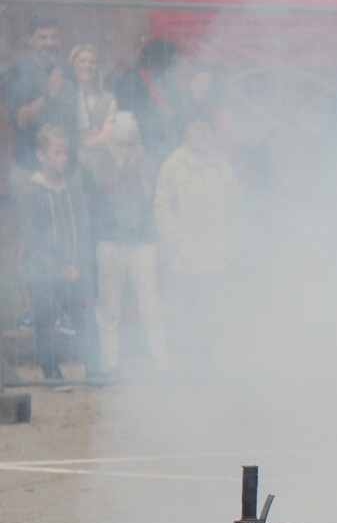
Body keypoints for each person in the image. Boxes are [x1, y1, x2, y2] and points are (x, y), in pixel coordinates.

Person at [154, 113, 243, 369]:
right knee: (184, 308)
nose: (201, 134)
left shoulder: (222, 166)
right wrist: (175, 237)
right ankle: (184, 359)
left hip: (216, 253)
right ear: (185, 133)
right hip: (184, 255)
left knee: (212, 308)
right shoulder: (174, 164)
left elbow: (235, 206)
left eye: (205, 130)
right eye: (195, 129)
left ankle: (209, 358)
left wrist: (232, 240)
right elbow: (162, 204)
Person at [92, 113, 167, 377]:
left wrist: (135, 167)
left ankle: (162, 362)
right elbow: (109, 189)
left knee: (151, 305)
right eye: (121, 143)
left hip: (141, 243)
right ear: (112, 143)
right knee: (110, 308)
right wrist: (125, 166)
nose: (126, 148)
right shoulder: (102, 164)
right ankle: (110, 362)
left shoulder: (146, 163)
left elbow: (148, 195)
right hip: (111, 242)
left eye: (130, 143)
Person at [18, 125, 95, 381]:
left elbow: (82, 229)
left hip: (73, 272)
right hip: (43, 274)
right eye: (56, 153)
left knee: (84, 320)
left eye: (65, 153)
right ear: (41, 155)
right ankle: (51, 372)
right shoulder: (31, 192)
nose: (62, 158)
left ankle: (94, 368)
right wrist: (59, 266)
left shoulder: (72, 190)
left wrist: (76, 264)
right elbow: (34, 237)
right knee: (44, 325)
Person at [4, 15, 65, 184]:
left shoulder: (66, 72)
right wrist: (49, 95)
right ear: (30, 41)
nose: (49, 43)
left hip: (64, 170)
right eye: (42, 37)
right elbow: (21, 118)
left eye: (54, 37)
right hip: (28, 168)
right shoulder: (16, 73)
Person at [65, 44, 117, 175]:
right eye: (82, 61)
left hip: (101, 168)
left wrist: (79, 141)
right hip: (69, 166)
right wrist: (93, 132)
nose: (87, 66)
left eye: (92, 62)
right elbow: (61, 133)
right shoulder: (64, 96)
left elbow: (107, 136)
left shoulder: (108, 99)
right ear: (72, 65)